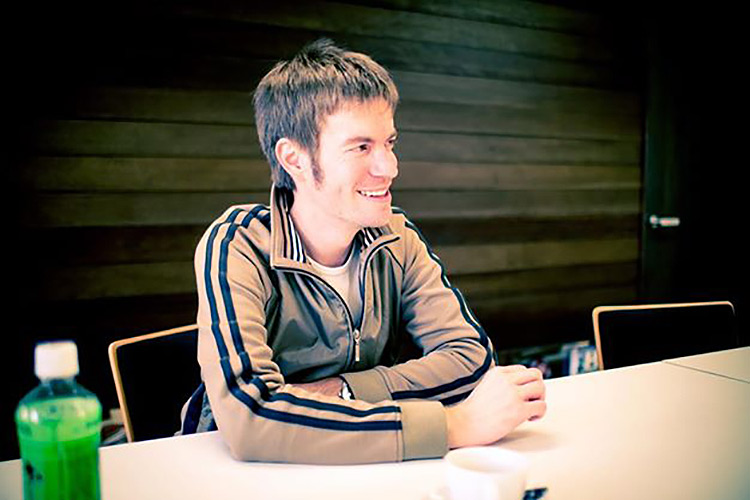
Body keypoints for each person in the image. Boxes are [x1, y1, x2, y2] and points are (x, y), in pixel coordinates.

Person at [180, 39, 546, 464]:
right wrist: (452, 426)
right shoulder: (237, 244)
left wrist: (346, 390)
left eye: (389, 143)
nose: (389, 167)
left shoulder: (397, 237)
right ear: (294, 158)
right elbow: (251, 417)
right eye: (361, 147)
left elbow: (468, 360)